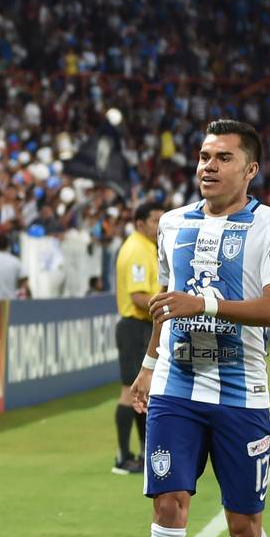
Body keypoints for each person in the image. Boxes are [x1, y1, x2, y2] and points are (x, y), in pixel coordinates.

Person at [131, 120, 270, 537]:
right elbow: (165, 300)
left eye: (223, 158)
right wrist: (147, 362)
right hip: (175, 389)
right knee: (169, 505)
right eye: (204, 156)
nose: (208, 165)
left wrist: (202, 304)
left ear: (250, 170)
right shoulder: (171, 224)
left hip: (241, 396)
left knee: (244, 528)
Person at [112, 201, 164, 474]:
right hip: (135, 326)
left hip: (143, 326)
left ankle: (143, 454)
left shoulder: (147, 248)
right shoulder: (136, 250)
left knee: (145, 392)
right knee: (130, 391)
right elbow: (138, 296)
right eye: (156, 220)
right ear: (140, 223)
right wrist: (169, 303)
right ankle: (123, 457)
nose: (160, 226)